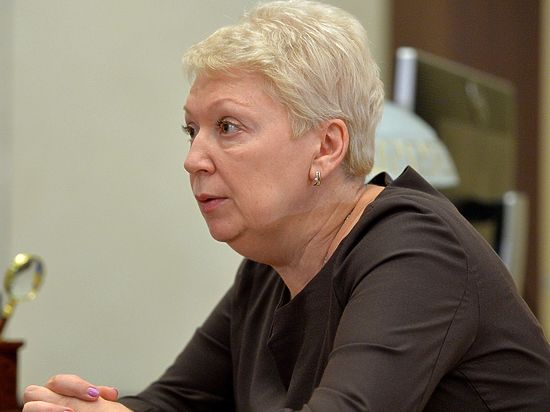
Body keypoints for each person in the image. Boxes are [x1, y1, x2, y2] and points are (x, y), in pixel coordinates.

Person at [22, 1, 550, 411]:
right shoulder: (268, 267)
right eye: (191, 130)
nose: (193, 159)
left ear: (327, 146)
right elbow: (178, 401)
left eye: (228, 126)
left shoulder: (417, 251)